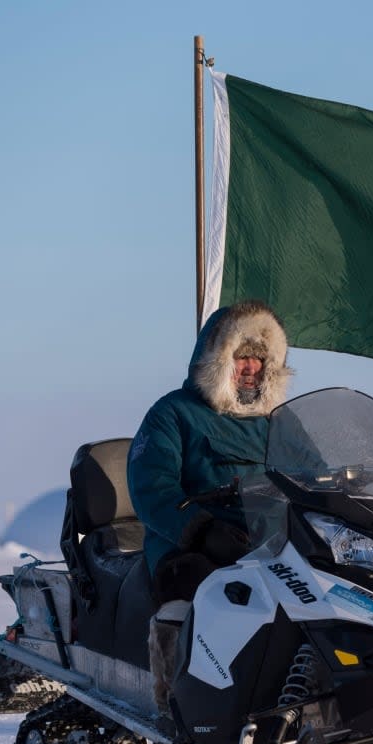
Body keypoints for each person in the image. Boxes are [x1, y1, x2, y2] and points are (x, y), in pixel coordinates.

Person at [127, 300, 292, 714]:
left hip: (267, 544)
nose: (251, 367)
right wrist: (199, 530)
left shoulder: (281, 422)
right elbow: (151, 488)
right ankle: (177, 702)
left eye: (259, 357)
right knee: (192, 588)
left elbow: (316, 471)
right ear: (217, 360)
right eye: (241, 356)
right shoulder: (173, 414)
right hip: (187, 543)